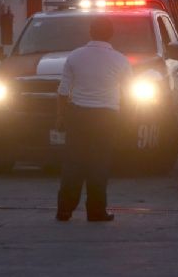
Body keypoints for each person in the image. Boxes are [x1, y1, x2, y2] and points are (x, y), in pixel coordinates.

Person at [55, 16, 132, 222]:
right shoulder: (121, 60)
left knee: (73, 163)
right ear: (111, 34)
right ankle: (96, 211)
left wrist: (60, 116)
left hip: (78, 115)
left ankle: (64, 210)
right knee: (99, 164)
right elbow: (128, 94)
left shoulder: (75, 56)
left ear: (90, 32)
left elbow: (63, 91)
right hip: (107, 117)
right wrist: (127, 120)